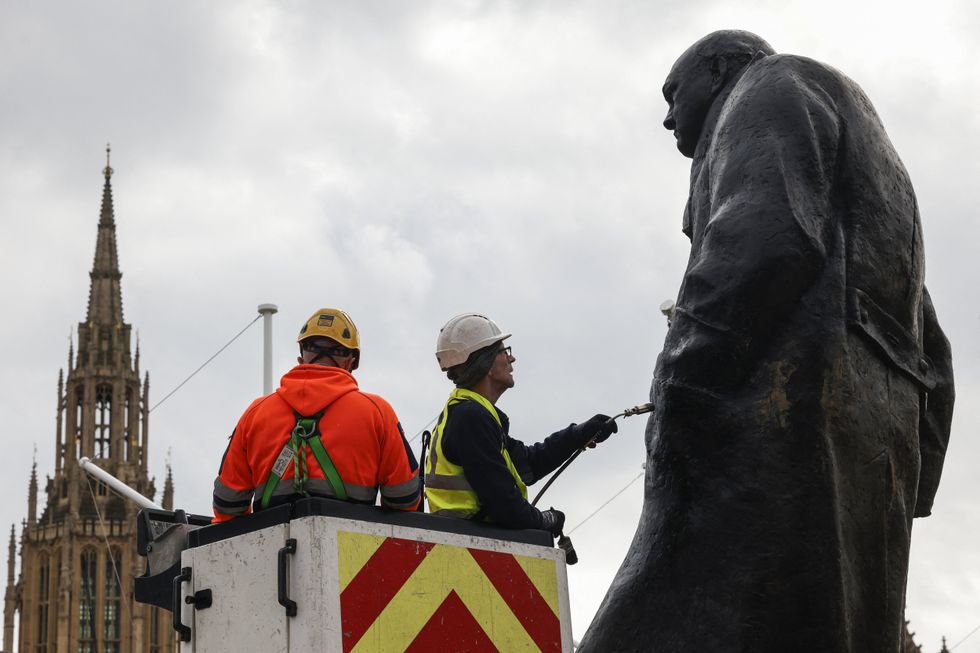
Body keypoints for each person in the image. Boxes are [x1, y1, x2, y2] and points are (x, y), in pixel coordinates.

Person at [579, 31, 954, 652]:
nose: (667, 115)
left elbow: (764, 237)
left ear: (721, 68)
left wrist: (681, 379)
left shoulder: (768, 88)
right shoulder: (873, 151)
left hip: (771, 427)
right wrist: (918, 470)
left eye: (675, 93)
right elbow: (927, 337)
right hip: (872, 450)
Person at [212, 308, 421, 522]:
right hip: (353, 549)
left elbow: (227, 503)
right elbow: (404, 500)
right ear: (350, 362)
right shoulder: (377, 412)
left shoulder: (256, 413)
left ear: (301, 357)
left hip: (269, 549)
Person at [424, 313, 618, 536]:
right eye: (503, 351)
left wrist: (578, 435)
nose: (511, 359)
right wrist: (544, 520)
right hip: (471, 547)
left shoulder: (474, 414)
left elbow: (526, 464)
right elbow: (504, 505)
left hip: (469, 544)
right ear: (486, 363)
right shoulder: (470, 418)